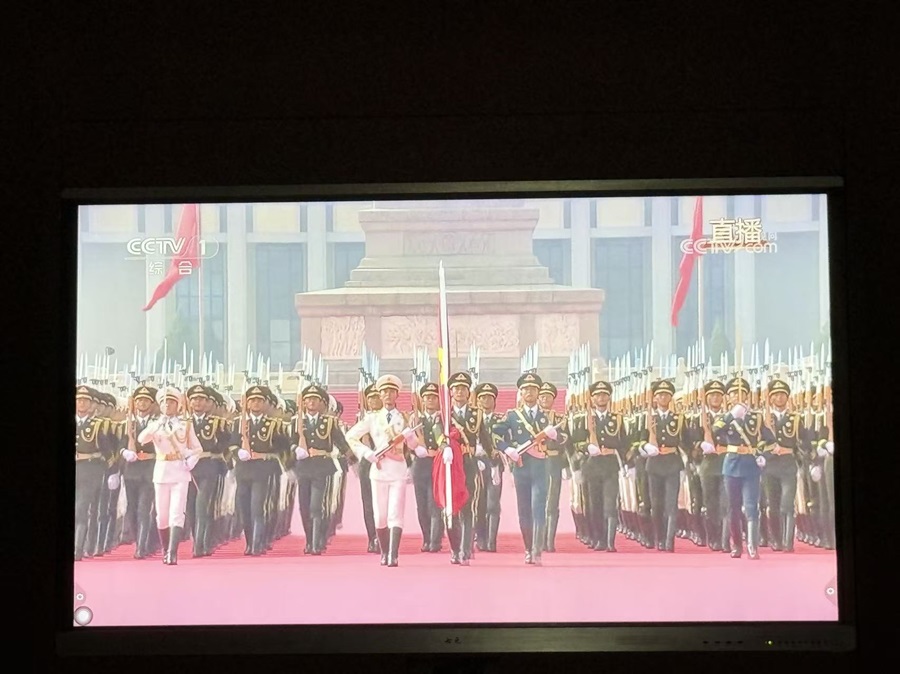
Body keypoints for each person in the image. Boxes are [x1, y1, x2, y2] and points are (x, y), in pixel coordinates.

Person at [345, 375, 418, 567]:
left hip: (398, 470)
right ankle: (384, 552)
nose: (388, 395)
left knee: (395, 512)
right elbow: (350, 436)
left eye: (391, 392)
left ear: (397, 395)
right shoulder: (372, 418)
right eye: (384, 392)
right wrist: (365, 453)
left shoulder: (405, 418)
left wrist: (410, 438)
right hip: (378, 470)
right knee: (380, 515)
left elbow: (414, 445)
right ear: (380, 394)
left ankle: (393, 554)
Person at [493, 373, 560, 566]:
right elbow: (495, 434)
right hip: (521, 466)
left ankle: (537, 550)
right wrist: (508, 449)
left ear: (538, 392)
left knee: (538, 507)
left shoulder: (548, 416)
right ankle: (528, 548)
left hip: (541, 466)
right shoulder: (512, 416)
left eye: (533, 389)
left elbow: (565, 440)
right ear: (520, 393)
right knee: (524, 509)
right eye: (525, 389)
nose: (529, 392)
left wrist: (556, 436)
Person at [137, 386, 203, 565]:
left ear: (177, 405)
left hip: (180, 471)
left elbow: (197, 448)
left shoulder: (185, 425)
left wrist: (191, 461)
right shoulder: (156, 425)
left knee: (177, 513)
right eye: (164, 403)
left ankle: (172, 552)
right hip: (162, 471)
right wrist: (156, 425)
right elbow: (141, 439)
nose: (167, 406)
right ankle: (165, 549)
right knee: (162, 515)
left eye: (171, 403)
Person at [713, 377, 776, 559]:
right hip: (732, 465)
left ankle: (752, 546)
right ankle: (737, 546)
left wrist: (763, 455)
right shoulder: (724, 418)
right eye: (733, 393)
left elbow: (771, 441)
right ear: (728, 397)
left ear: (746, 395)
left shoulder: (756, 417)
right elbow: (715, 431)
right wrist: (731, 416)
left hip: (750, 466)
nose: (737, 396)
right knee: (733, 507)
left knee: (751, 506)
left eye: (740, 393)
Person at [291, 384, 353, 555]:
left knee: (316, 506)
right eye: (308, 399)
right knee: (304, 507)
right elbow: (290, 442)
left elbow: (341, 443)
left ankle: (317, 541)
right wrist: (295, 450)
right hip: (303, 467)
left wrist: (355, 461)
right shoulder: (296, 422)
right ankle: (309, 540)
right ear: (303, 402)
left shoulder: (329, 422)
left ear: (321, 403)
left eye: (315, 399)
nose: (311, 402)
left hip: (322, 467)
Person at [233, 385, 291, 556]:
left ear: (265, 403)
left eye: (259, 400)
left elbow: (284, 447)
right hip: (243, 470)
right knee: (244, 509)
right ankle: (249, 541)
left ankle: (257, 543)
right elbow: (230, 444)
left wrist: (287, 465)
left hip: (263, 470)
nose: (256, 403)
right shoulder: (238, 423)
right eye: (252, 400)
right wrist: (237, 452)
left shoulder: (274, 425)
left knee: (258, 508)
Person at [573, 381, 627, 552]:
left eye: (604, 395)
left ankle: (610, 541)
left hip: (610, 465)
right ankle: (598, 539)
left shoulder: (617, 419)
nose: (601, 398)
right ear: (592, 398)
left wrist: (626, 463)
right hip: (591, 466)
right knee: (594, 505)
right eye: (597, 395)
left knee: (610, 504)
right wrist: (586, 447)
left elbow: (624, 443)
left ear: (609, 398)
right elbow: (576, 442)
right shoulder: (583, 419)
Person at [639, 380, 690, 552]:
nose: (663, 397)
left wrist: (690, 461)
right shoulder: (647, 418)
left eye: (666, 395)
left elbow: (686, 441)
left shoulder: (679, 419)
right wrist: (645, 447)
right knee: (656, 504)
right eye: (660, 395)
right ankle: (659, 538)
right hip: (654, 464)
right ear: (655, 398)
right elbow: (639, 439)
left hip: (672, 463)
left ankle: (669, 540)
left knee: (671, 504)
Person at [74, 385, 120, 561]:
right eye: (79, 400)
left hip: (90, 470)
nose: (82, 403)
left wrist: (113, 472)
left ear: (91, 404)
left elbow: (107, 451)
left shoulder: (98, 425)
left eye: (85, 400)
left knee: (81, 509)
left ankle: (78, 548)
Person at [120, 385, 160, 559]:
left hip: (149, 469)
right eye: (139, 400)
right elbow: (119, 444)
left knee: (144, 509)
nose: (142, 403)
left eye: (145, 400)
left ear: (152, 404)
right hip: (131, 471)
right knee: (132, 509)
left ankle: (142, 546)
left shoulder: (157, 424)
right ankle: (139, 540)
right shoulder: (128, 423)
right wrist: (124, 452)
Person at [691, 380, 731, 552]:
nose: (715, 398)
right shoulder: (699, 418)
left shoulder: (729, 418)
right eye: (712, 395)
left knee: (725, 503)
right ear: (707, 398)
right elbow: (690, 439)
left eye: (718, 395)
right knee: (710, 503)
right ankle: (713, 537)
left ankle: (725, 539)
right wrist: (700, 445)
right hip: (708, 465)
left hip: (727, 463)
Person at [409, 382, 446, 553]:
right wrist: (415, 449)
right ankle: (426, 537)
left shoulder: (443, 419)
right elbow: (408, 440)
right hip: (420, 464)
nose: (430, 400)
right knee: (421, 504)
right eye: (427, 397)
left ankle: (435, 540)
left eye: (433, 397)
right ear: (422, 400)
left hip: (437, 462)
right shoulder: (415, 419)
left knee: (435, 502)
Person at [537, 381, 570, 552]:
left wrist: (556, 436)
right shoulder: (531, 418)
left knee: (551, 502)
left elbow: (567, 440)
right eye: (542, 396)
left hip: (552, 461)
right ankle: (538, 540)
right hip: (534, 461)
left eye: (548, 396)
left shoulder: (559, 419)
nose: (544, 399)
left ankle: (549, 541)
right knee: (536, 501)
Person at [474, 382, 504, 552]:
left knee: (493, 503)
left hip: (494, 464)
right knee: (478, 502)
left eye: (489, 397)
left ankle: (492, 540)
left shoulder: (501, 419)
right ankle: (481, 538)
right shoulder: (473, 419)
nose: (486, 400)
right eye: (482, 397)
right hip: (476, 463)